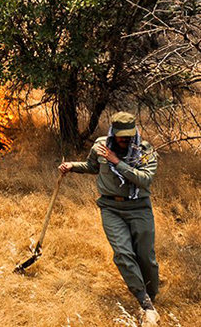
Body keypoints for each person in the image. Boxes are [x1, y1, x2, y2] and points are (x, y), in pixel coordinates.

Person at [58, 112, 160, 326]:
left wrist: (117, 162)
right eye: (121, 136)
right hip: (110, 207)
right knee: (123, 252)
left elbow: (145, 180)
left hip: (139, 207)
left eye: (128, 136)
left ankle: (151, 293)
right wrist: (72, 166)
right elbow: (93, 167)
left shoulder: (145, 151)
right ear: (113, 132)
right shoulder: (100, 147)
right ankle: (145, 304)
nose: (125, 140)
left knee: (145, 257)